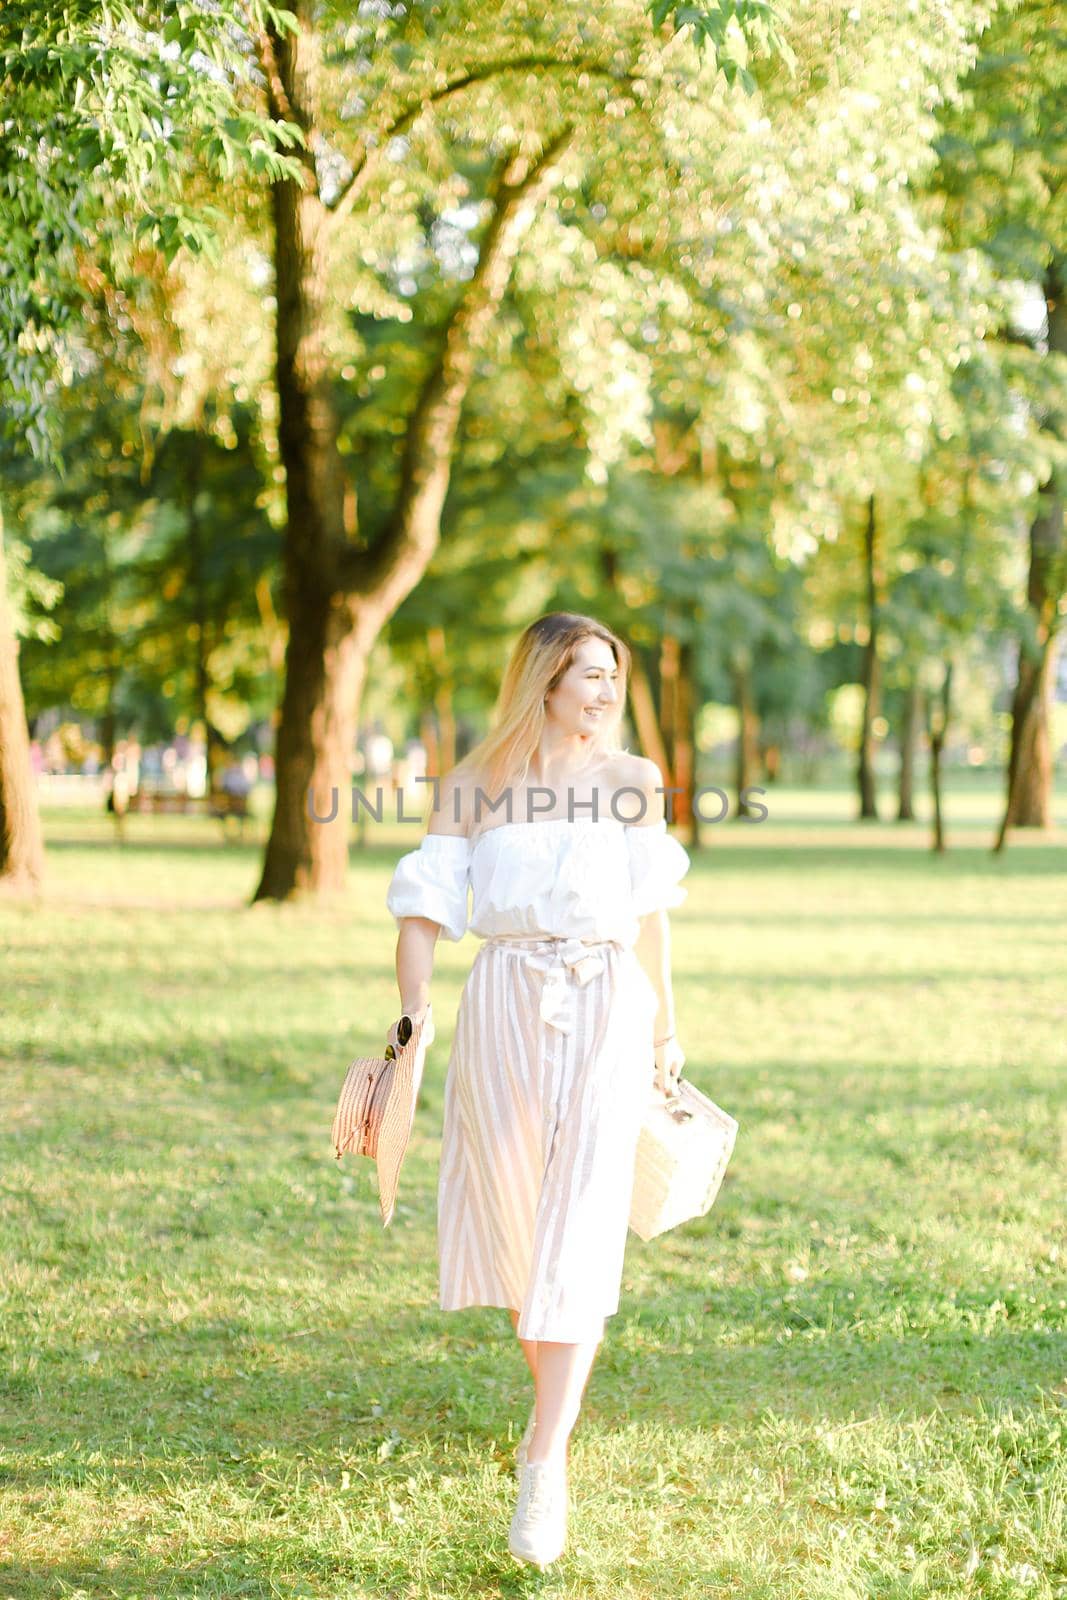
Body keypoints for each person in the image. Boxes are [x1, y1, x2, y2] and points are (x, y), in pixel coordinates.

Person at [385, 611, 691, 1569]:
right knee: (520, 1229)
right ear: (542, 681)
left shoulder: (632, 784)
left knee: (581, 1225)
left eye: (612, 675)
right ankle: (548, 1420)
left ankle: (543, 1457)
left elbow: (649, 918)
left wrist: (667, 1029)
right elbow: (424, 907)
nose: (604, 691)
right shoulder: (475, 787)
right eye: (587, 675)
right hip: (505, 1002)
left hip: (606, 1005)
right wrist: (410, 1013)